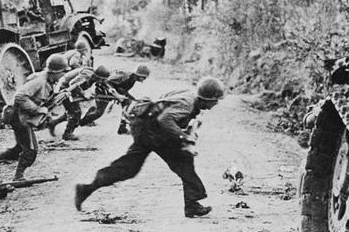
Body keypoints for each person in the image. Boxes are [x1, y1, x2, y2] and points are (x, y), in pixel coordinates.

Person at [74, 76, 224, 218]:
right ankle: (192, 203)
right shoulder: (187, 103)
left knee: (134, 166)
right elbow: (165, 119)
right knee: (175, 161)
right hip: (150, 129)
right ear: (207, 98)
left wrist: (184, 134)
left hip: (147, 126)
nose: (216, 104)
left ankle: (86, 189)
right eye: (215, 100)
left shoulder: (189, 97)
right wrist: (183, 137)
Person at [0, 54, 69, 180]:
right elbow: (20, 96)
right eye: (62, 72)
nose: (63, 75)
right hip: (19, 117)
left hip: (20, 116)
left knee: (18, 149)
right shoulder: (40, 81)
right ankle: (18, 177)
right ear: (55, 72)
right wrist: (37, 109)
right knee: (31, 150)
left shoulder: (48, 80)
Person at [82, 65, 151, 132]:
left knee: (127, 105)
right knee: (98, 112)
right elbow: (107, 81)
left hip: (113, 92)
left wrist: (132, 99)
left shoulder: (132, 79)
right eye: (144, 77)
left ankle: (122, 128)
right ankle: (80, 122)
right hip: (103, 89)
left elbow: (123, 90)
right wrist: (114, 92)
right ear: (138, 75)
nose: (144, 79)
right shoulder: (125, 75)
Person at [52, 64, 111, 141]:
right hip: (64, 89)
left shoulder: (94, 76)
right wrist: (84, 94)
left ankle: (52, 123)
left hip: (72, 90)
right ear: (97, 77)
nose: (102, 82)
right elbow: (72, 83)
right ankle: (67, 134)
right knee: (75, 112)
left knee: (73, 111)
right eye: (102, 79)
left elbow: (103, 84)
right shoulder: (87, 74)